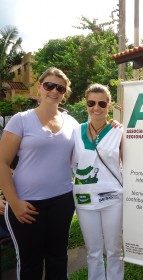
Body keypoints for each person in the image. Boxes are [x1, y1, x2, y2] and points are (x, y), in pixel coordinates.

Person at [0, 67, 78, 279]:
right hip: (27, 204)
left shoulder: (72, 124)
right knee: (30, 264)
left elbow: (92, 142)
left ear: (65, 93)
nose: (54, 91)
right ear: (39, 87)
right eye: (49, 85)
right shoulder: (21, 119)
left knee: (58, 259)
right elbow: (3, 162)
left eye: (60, 88)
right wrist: (13, 202)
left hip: (62, 202)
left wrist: (114, 126)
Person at [72, 84, 124, 280]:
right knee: (93, 251)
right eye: (91, 103)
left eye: (102, 103)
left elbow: (127, 163)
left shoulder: (118, 131)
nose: (96, 108)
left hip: (112, 199)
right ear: (86, 104)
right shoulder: (76, 131)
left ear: (109, 105)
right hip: (85, 199)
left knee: (114, 250)